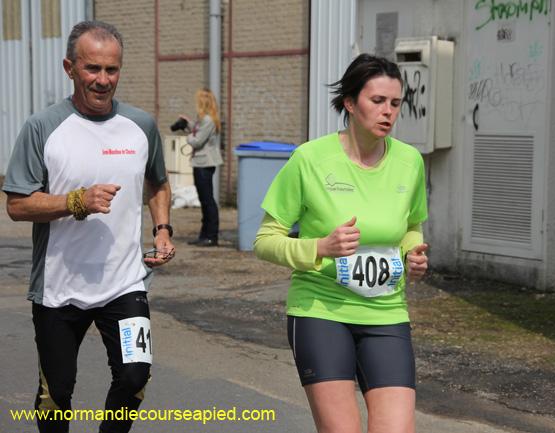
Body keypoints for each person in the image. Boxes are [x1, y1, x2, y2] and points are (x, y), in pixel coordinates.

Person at [2, 20, 175, 433]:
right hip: (59, 288)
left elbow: (157, 183)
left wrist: (163, 229)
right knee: (57, 393)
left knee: (135, 378)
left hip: (125, 283)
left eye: (111, 70)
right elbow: (17, 204)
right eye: (92, 68)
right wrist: (75, 201)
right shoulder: (43, 127)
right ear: (70, 68)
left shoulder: (140, 125)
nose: (103, 80)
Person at [254, 53, 429, 433]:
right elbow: (265, 240)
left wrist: (412, 253)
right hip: (321, 311)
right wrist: (319, 248)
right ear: (350, 103)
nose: (388, 112)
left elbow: (411, 226)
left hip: (386, 313)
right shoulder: (309, 159)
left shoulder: (410, 162)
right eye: (377, 101)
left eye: (395, 103)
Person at [180, 88, 223, 247]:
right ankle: (204, 235)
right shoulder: (204, 119)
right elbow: (198, 131)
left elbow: (197, 141)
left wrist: (188, 137)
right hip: (201, 163)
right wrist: (188, 123)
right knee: (205, 200)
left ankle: (211, 236)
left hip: (204, 164)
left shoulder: (208, 120)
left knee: (207, 200)